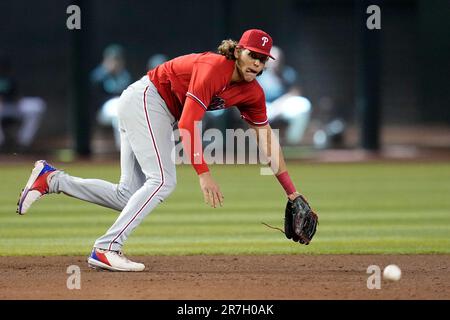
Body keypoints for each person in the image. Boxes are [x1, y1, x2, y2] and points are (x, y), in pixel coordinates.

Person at [17, 29, 314, 272]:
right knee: (162, 180)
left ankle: (51, 179)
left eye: (263, 59)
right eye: (253, 55)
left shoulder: (253, 93)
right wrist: (203, 173)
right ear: (238, 51)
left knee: (127, 194)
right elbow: (187, 123)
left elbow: (267, 140)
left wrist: (292, 192)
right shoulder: (214, 68)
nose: (257, 64)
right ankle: (107, 248)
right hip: (148, 99)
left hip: (149, 106)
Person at [257, 46, 312, 145]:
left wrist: (279, 106)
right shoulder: (259, 75)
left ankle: (292, 142)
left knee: (304, 105)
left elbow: (295, 92)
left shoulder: (288, 73)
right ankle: (262, 145)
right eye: (272, 59)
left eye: (277, 59)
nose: (275, 62)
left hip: (283, 106)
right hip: (266, 108)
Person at [0, 54, 47, 152]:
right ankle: (2, 143)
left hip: (13, 107)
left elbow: (16, 95)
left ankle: (22, 143)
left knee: (38, 105)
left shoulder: (10, 79)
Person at [91, 44, 132, 150]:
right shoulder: (98, 76)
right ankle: (123, 148)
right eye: (112, 59)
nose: (115, 63)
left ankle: (131, 147)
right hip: (103, 112)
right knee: (118, 110)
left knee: (122, 110)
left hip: (122, 108)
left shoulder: (125, 76)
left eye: (117, 59)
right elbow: (93, 99)